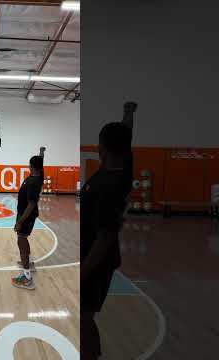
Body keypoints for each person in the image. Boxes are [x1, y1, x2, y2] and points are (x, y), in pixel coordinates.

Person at [80, 101, 137, 360]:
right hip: (96, 257)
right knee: (83, 316)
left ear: (101, 147)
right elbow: (125, 138)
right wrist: (127, 115)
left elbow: (104, 239)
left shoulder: (108, 186)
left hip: (96, 261)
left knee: (83, 317)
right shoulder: (121, 171)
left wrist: (81, 273)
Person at [12, 146, 46, 290]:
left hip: (26, 216)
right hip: (26, 214)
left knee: (21, 240)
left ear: (31, 166)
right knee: (23, 239)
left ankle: (27, 278)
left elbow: (31, 205)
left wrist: (20, 221)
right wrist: (42, 153)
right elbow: (41, 164)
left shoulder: (33, 183)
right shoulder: (38, 175)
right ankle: (28, 265)